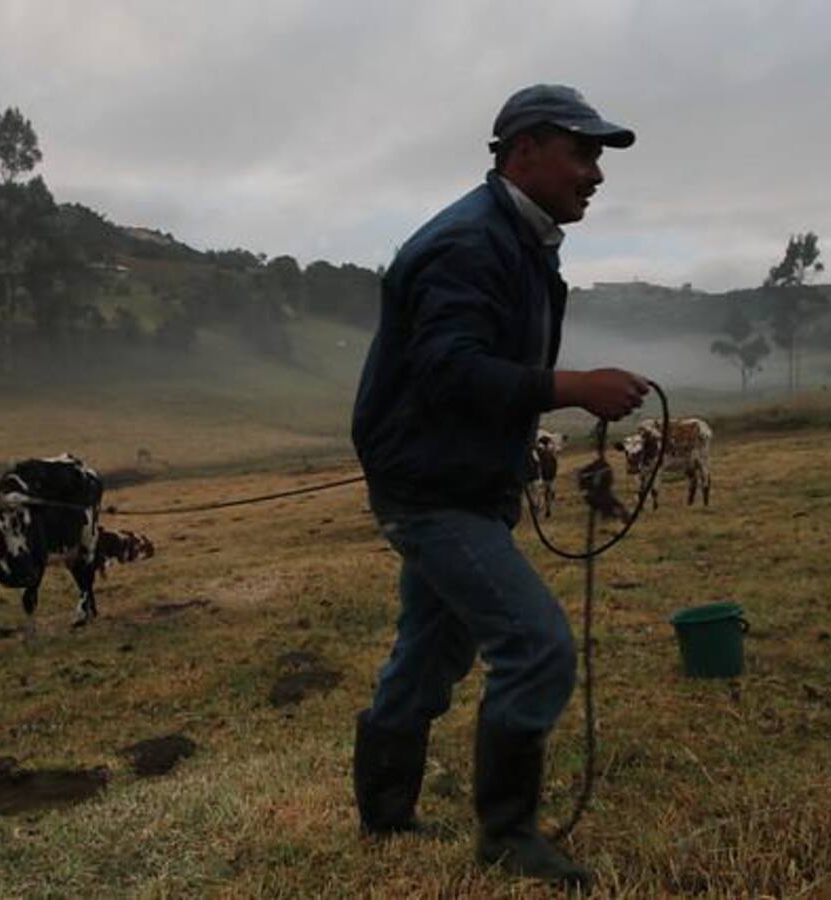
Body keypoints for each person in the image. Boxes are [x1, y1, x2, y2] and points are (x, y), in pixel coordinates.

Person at [350, 83, 647, 889]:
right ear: (524, 151)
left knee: (433, 648)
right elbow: (449, 369)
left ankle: (383, 815)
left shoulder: (517, 240)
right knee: (536, 645)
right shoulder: (469, 245)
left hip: (460, 479)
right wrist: (573, 384)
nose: (595, 173)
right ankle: (508, 837)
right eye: (582, 152)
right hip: (431, 489)